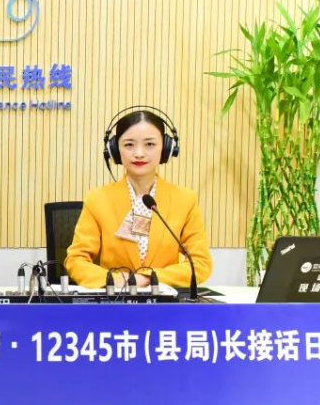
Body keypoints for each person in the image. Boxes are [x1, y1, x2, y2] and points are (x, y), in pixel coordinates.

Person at [65, 107, 212, 289]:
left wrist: (149, 278)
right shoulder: (97, 199)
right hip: (115, 298)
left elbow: (200, 263)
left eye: (149, 144)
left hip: (164, 301)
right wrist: (113, 280)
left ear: (166, 148)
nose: (139, 153)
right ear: (114, 150)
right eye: (129, 145)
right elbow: (76, 259)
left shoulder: (185, 200)